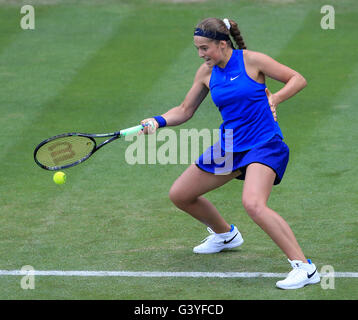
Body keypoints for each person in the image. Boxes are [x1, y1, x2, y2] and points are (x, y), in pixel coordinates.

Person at [141, 17, 320, 290]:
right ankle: (225, 235)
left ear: (222, 44)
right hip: (230, 146)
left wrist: (275, 98)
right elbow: (185, 110)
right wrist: (157, 120)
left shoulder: (252, 60)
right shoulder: (206, 72)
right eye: (198, 49)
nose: (201, 54)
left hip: (263, 143)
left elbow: (298, 79)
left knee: (254, 204)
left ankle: (305, 268)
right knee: (180, 195)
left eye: (205, 48)